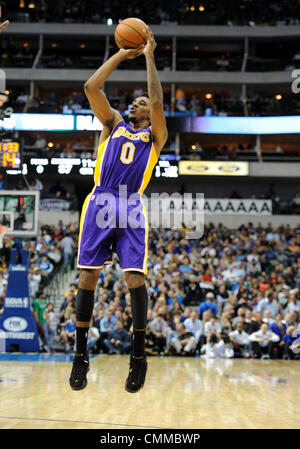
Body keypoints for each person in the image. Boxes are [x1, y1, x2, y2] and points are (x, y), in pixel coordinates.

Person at [69, 25, 168, 392]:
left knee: (134, 279)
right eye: (134, 101)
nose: (136, 103)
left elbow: (157, 103)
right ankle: (80, 354)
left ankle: (138, 357)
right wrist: (120, 55)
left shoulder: (155, 136)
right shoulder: (112, 124)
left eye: (139, 102)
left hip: (131, 205)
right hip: (100, 199)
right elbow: (90, 88)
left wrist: (148, 57)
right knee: (88, 278)